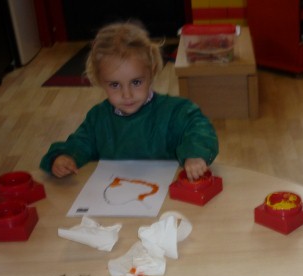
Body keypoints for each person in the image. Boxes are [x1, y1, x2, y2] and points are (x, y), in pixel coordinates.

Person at [40, 21, 218, 180]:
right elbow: (79, 144)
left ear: (151, 72)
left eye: (136, 82)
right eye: (115, 85)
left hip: (167, 197)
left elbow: (199, 129)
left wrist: (195, 154)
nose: (127, 94)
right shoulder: (98, 118)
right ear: (101, 81)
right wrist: (63, 157)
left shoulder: (175, 111)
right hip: (113, 195)